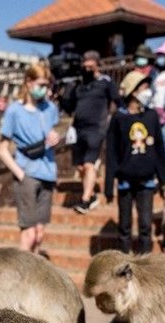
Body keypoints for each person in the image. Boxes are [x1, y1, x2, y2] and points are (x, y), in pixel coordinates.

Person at [0, 63, 60, 255]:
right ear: (29, 82)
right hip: (27, 175)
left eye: (47, 85)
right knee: (29, 235)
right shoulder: (14, 111)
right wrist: (21, 174)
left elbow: (50, 133)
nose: (44, 89)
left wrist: (55, 138)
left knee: (39, 234)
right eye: (41, 84)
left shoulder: (50, 108)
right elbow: (2, 149)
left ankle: (35, 270)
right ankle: (20, 271)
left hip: (47, 173)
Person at [104, 72, 165, 253]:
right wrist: (109, 185)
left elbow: (159, 150)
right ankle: (124, 260)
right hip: (125, 181)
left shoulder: (151, 116)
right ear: (133, 91)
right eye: (144, 88)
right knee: (124, 226)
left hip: (146, 181)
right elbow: (111, 153)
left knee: (145, 225)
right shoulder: (119, 118)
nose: (148, 91)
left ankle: (145, 261)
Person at [60, 50, 119, 214]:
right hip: (78, 128)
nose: (86, 68)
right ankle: (91, 194)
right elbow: (69, 106)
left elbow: (116, 100)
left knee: (88, 164)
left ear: (97, 65)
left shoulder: (105, 82)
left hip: (96, 128)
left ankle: (85, 200)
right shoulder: (78, 85)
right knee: (80, 167)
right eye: (84, 65)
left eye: (90, 66)